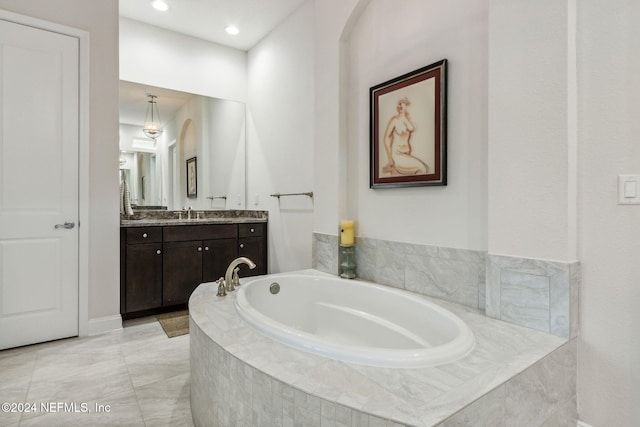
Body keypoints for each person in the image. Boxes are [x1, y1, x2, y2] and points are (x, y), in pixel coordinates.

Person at [381, 96, 429, 176]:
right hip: (397, 155)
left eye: (404, 103)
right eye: (400, 103)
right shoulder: (394, 120)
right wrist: (390, 159)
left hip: (406, 154)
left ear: (407, 106)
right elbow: (386, 138)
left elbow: (412, 128)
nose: (401, 106)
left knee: (426, 169)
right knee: (422, 169)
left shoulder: (408, 120)